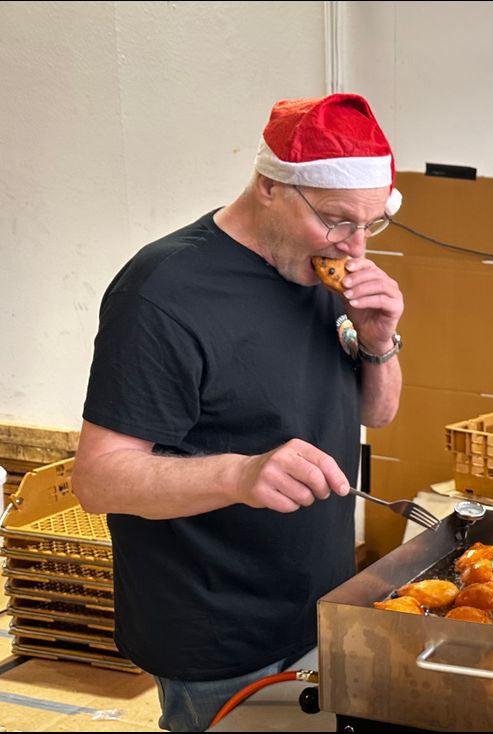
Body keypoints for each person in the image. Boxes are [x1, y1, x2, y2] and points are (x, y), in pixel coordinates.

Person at [72, 94, 406, 732]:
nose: (356, 246)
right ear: (270, 186)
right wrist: (241, 474)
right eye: (338, 221)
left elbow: (378, 413)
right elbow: (98, 479)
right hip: (217, 628)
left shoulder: (323, 273)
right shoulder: (163, 294)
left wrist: (378, 340)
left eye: (372, 223)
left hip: (320, 601)